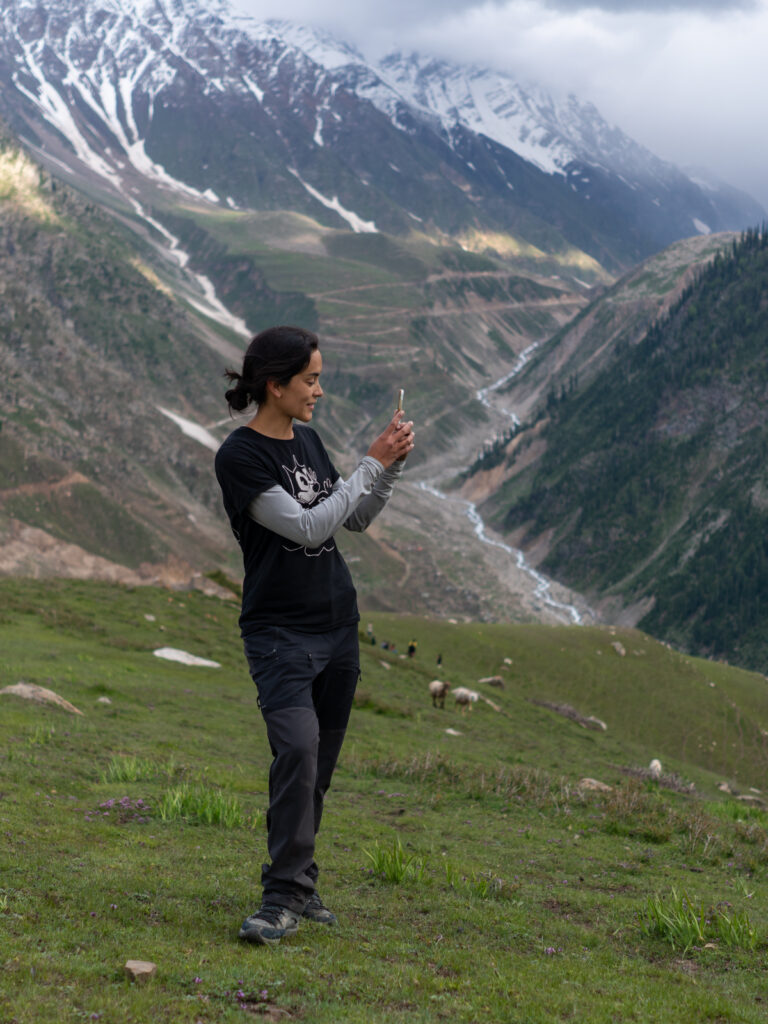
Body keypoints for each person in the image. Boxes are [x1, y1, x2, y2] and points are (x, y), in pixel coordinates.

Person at [214, 325, 414, 946]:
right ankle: (280, 898)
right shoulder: (240, 456)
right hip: (280, 632)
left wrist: (388, 473)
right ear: (275, 385)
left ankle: (298, 881)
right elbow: (305, 527)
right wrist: (370, 461)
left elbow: (350, 519)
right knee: (296, 749)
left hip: (337, 627)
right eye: (309, 380)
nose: (318, 391)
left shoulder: (309, 439)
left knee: (317, 766)